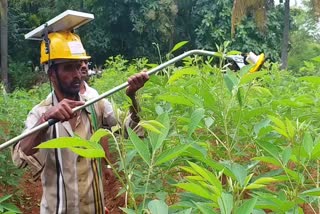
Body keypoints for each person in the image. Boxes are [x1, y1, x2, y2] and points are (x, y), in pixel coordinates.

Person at [12, 31, 149, 214]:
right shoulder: (41, 112)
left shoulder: (96, 104)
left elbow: (132, 129)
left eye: (79, 67)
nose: (77, 74)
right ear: (52, 74)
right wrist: (45, 120)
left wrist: (132, 96)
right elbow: (18, 159)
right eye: (68, 68)